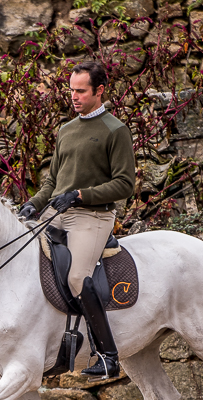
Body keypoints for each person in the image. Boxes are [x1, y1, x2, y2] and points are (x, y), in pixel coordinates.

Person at [19, 60, 136, 378]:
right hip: (56, 213)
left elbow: (125, 184)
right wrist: (32, 205)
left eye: (81, 91)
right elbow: (52, 181)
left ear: (99, 91)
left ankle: (108, 356)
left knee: (75, 278)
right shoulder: (66, 130)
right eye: (71, 90)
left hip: (92, 218)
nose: (74, 96)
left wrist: (81, 195)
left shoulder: (115, 130)